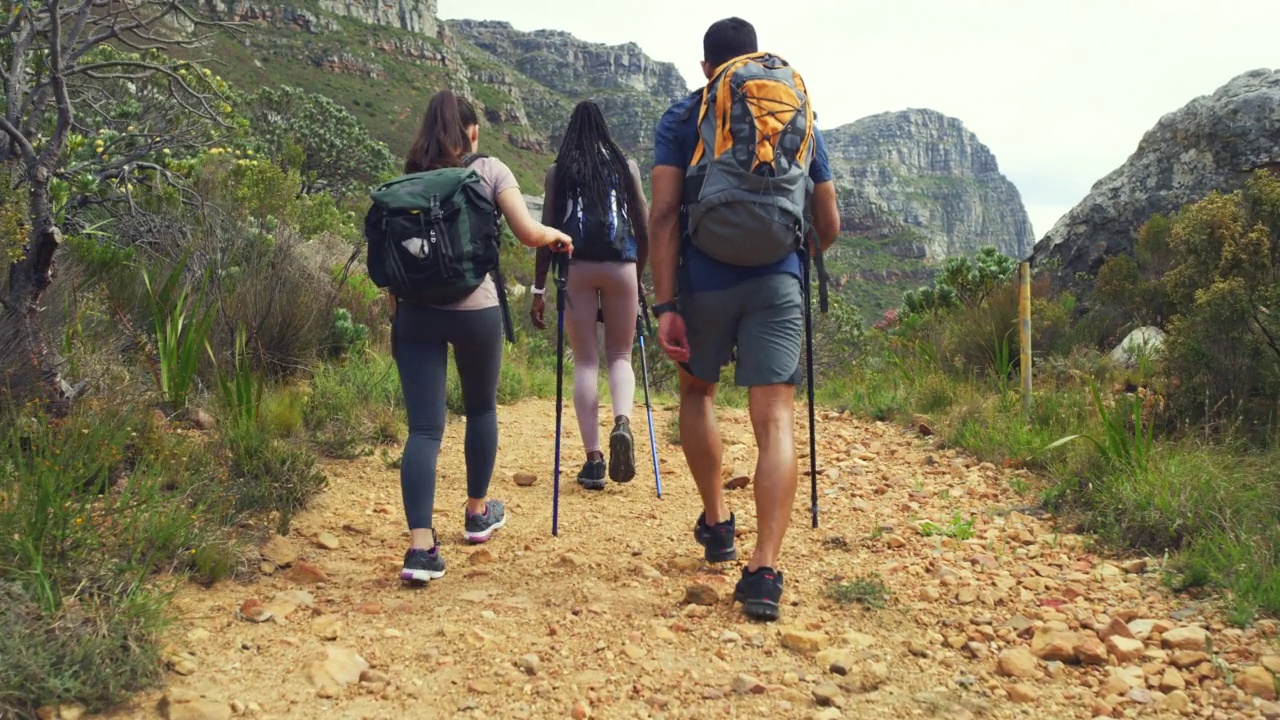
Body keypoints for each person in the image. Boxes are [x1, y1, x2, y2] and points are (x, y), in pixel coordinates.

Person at [647, 17, 841, 621]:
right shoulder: (794, 110)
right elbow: (828, 226)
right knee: (775, 417)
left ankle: (717, 521)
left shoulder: (684, 114)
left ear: (708, 68)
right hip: (778, 275)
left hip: (704, 277)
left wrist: (666, 303)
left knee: (697, 391)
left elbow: (663, 213)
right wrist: (788, 256)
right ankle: (764, 570)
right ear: (756, 58)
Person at [392, 90, 573, 584]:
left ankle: (420, 549)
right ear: (470, 132)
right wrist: (557, 236)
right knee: (481, 409)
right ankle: (476, 513)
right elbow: (528, 233)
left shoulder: (409, 177)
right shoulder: (490, 169)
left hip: (415, 316)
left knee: (424, 431)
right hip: (476, 310)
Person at [529, 101, 649, 490]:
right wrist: (639, 277)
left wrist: (538, 288)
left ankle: (594, 461)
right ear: (604, 129)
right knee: (620, 355)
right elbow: (644, 228)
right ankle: (623, 423)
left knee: (585, 362)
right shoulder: (625, 167)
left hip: (575, 267)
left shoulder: (557, 172)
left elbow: (545, 232)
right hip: (622, 266)